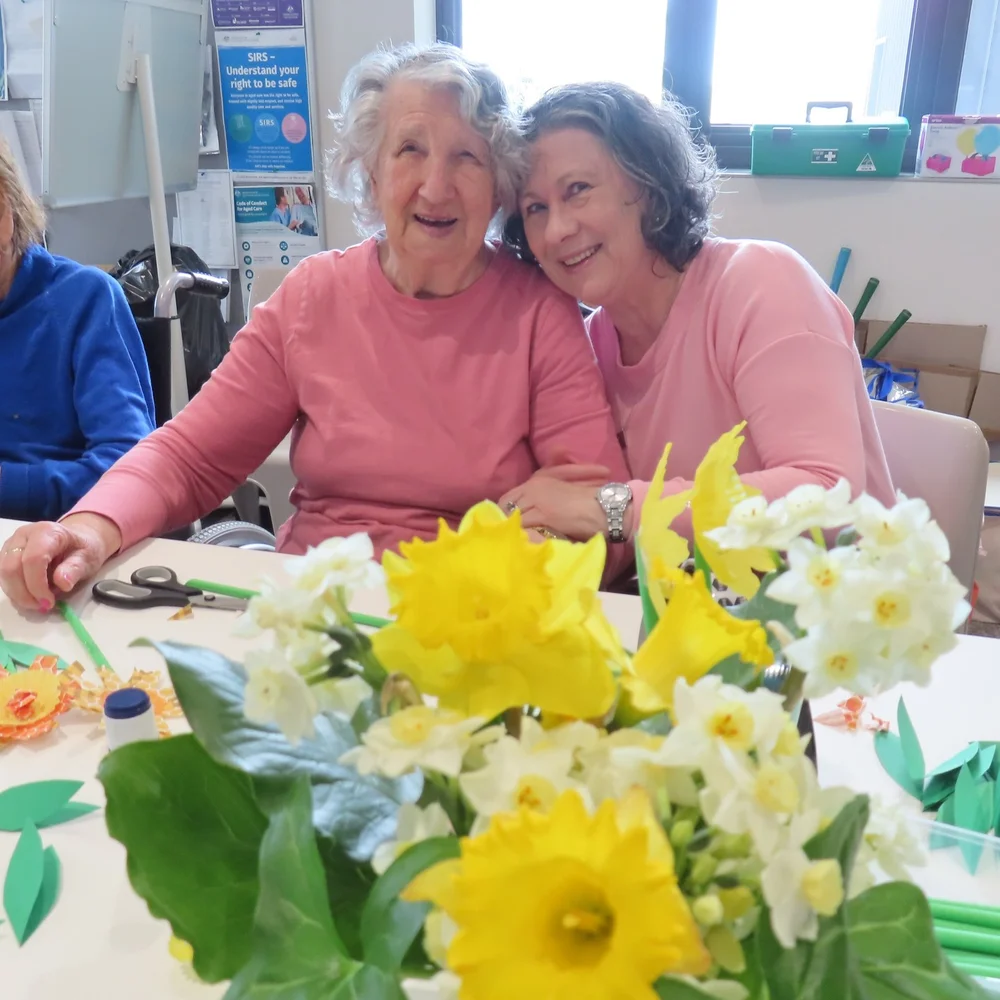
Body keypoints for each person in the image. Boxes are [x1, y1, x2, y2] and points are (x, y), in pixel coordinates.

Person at [0, 45, 629, 613]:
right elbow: (190, 456)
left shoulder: (540, 313)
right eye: (410, 149)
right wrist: (89, 527)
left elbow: (590, 506)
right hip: (313, 605)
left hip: (473, 612)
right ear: (372, 174)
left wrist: (521, 567)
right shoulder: (313, 296)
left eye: (469, 157)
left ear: (500, 190)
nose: (436, 186)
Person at [499, 82, 894, 543]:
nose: (558, 229)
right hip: (688, 604)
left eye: (579, 190)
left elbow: (828, 499)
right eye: (535, 209)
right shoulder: (584, 346)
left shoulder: (761, 283)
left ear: (647, 185)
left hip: (840, 602)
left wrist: (616, 508)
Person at [0, 140, 154, 525]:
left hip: (60, 536)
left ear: (8, 215)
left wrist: (12, 484)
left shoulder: (84, 299)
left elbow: (125, 466)